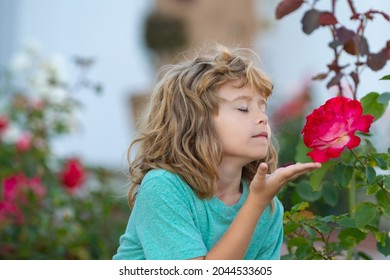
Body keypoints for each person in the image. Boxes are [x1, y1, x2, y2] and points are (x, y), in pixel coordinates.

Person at [113, 44, 321, 260]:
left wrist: (259, 202)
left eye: (263, 107)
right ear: (195, 122)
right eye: (243, 108)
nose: (263, 118)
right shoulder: (163, 187)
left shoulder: (268, 207)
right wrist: (256, 203)